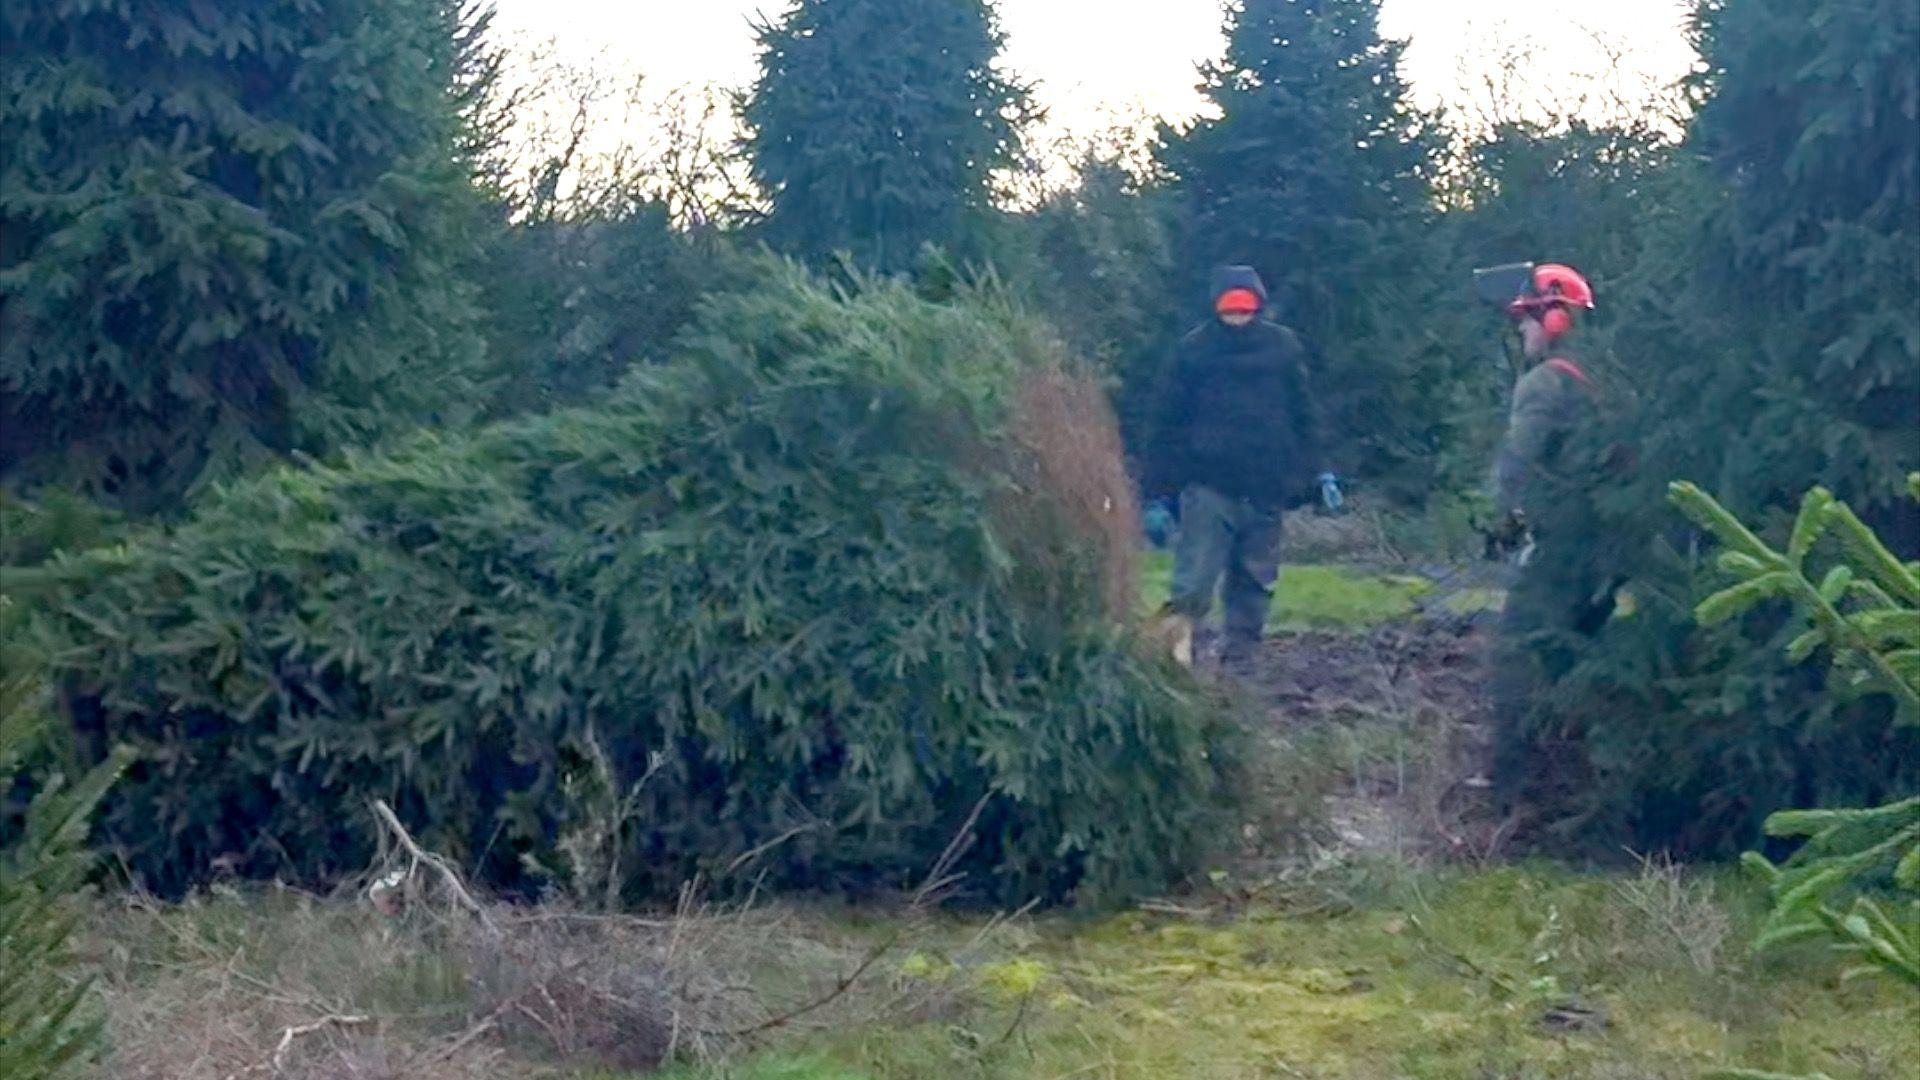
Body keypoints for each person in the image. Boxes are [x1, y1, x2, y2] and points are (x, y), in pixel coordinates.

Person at [1143, 266, 1335, 668]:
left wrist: (1320, 472)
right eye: (1229, 306)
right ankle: (1171, 666)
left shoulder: (1283, 349)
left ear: (1258, 306)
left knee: (1254, 583)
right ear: (1215, 307)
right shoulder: (1192, 352)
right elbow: (1165, 426)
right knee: (1192, 584)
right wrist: (1158, 496)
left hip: (1267, 487)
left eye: (1244, 306)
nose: (1237, 314)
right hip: (1209, 486)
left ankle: (1239, 669)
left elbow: (1306, 416)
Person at [1486, 262, 1620, 797]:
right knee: (1580, 655)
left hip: (1560, 546)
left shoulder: (1544, 383)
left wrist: (1497, 522)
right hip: (1608, 548)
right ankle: (1580, 773)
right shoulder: (1609, 380)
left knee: (1519, 652)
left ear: (1556, 320)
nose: (1521, 331)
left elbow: (1516, 464)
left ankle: (1511, 781)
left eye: (1527, 321)